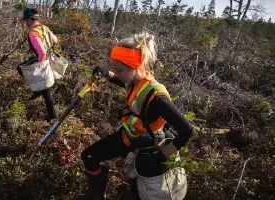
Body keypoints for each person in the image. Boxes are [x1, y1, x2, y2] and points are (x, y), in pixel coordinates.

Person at [76, 32, 195, 200]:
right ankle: (95, 194)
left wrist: (161, 156)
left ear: (135, 66)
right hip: (131, 136)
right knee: (89, 156)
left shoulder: (157, 98)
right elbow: (122, 81)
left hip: (147, 146)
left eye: (119, 70)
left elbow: (188, 131)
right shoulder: (136, 80)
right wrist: (107, 73)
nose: (116, 73)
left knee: (140, 190)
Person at [20, 8, 58, 120]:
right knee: (21, 67)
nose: (25, 23)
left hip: (43, 60)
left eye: (26, 20)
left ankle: (53, 117)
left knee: (46, 91)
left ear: (29, 20)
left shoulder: (33, 33)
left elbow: (41, 52)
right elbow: (55, 40)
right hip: (50, 58)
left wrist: (40, 69)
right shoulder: (44, 28)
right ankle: (36, 90)